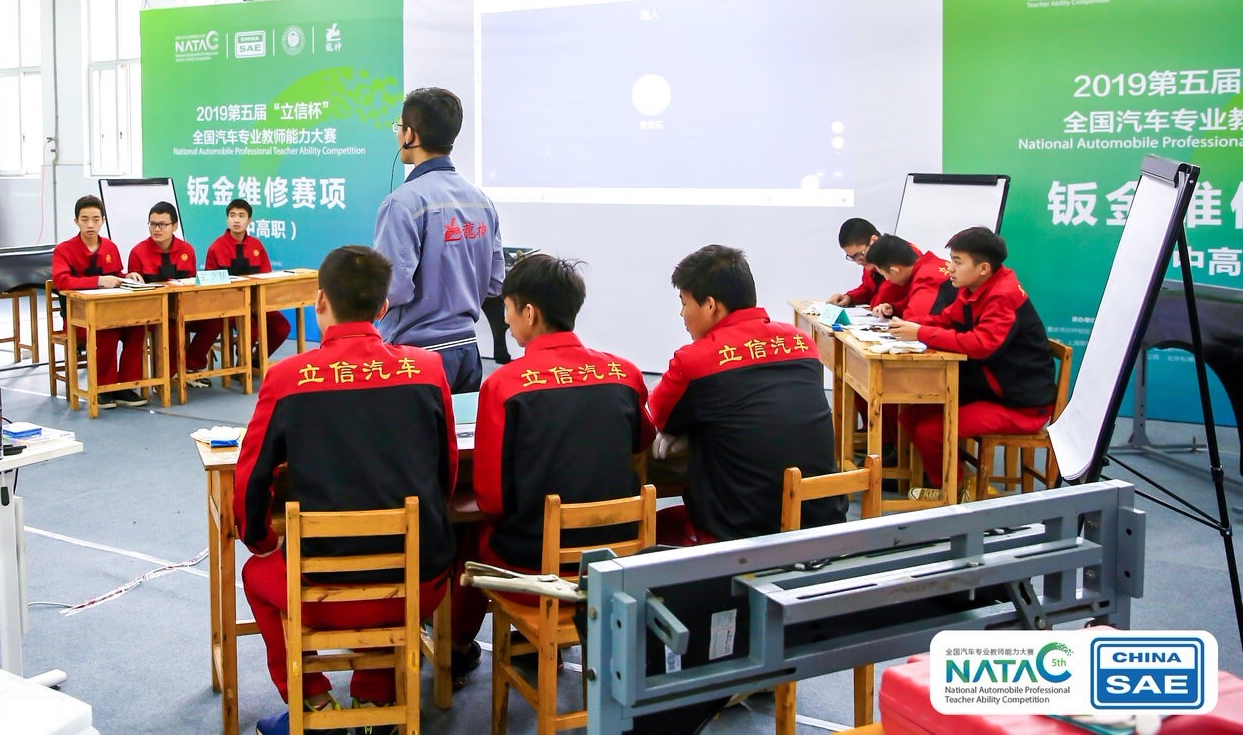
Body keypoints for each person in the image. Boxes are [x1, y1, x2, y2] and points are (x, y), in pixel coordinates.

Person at [235, 246, 457, 735]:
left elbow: (251, 477)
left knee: (256, 575)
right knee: (396, 558)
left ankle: (314, 706)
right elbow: (446, 469)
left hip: (321, 590)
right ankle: (376, 702)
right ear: (383, 307)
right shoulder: (426, 369)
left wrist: (262, 540)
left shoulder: (288, 377)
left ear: (320, 301)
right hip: (417, 585)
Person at [449, 253, 653, 676]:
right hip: (615, 560)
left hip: (535, 569)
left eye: (507, 309)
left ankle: (456, 649)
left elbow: (492, 498)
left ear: (530, 313)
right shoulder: (626, 374)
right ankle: (535, 642)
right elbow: (642, 442)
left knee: (468, 537)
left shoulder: (503, 386)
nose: (505, 321)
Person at [648, 245, 844, 545]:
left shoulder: (694, 360)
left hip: (746, 534)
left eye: (684, 303)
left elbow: (660, 417)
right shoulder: (803, 343)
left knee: (650, 529)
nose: (682, 314)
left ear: (710, 305)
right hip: (823, 521)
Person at [888, 227, 1056, 502]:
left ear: (983, 268)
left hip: (1019, 404)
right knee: (910, 416)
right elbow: (946, 319)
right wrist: (908, 326)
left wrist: (920, 333)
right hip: (990, 389)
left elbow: (981, 345)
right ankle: (959, 484)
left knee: (929, 431)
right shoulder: (973, 287)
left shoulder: (1003, 294)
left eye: (957, 262)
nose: (949, 268)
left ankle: (952, 493)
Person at [373, 86, 504, 393]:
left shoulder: (402, 203)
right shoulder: (481, 201)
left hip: (415, 354)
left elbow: (394, 289)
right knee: (460, 425)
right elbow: (495, 283)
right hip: (467, 351)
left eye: (399, 127)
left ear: (411, 135)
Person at [51, 194, 147, 410]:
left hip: (112, 313)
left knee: (137, 328)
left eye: (95, 219)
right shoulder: (64, 250)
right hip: (78, 318)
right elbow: (62, 281)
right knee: (106, 331)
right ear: (76, 221)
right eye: (84, 219)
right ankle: (104, 387)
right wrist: (97, 281)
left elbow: (116, 274)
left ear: (103, 220)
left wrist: (127, 276)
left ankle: (126, 386)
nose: (90, 225)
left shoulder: (110, 247)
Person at [189, 198, 290, 373]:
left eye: (241, 216)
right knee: (251, 329)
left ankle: (255, 359)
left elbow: (266, 276)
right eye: (232, 215)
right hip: (228, 305)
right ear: (227, 219)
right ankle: (243, 366)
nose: (236, 220)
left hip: (256, 302)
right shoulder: (216, 247)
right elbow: (210, 283)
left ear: (249, 220)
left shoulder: (257, 245)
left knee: (282, 327)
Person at [125, 201, 201, 380]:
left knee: (214, 321)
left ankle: (190, 364)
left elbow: (191, 285)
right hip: (152, 313)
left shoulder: (187, 250)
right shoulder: (138, 252)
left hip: (185, 310)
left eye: (162, 225)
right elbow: (133, 291)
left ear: (174, 226)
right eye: (152, 224)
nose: (156, 229)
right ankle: (170, 375)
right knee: (170, 328)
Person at [865, 234, 956, 323]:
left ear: (894, 271)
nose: (887, 280)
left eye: (883, 274)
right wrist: (894, 309)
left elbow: (913, 321)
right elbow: (919, 301)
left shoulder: (926, 278)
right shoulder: (932, 264)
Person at [826, 217, 906, 312]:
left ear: (874, 241)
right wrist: (849, 298)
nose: (858, 262)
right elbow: (869, 289)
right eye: (852, 257)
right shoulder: (871, 261)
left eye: (859, 255)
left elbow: (885, 297)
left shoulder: (901, 257)